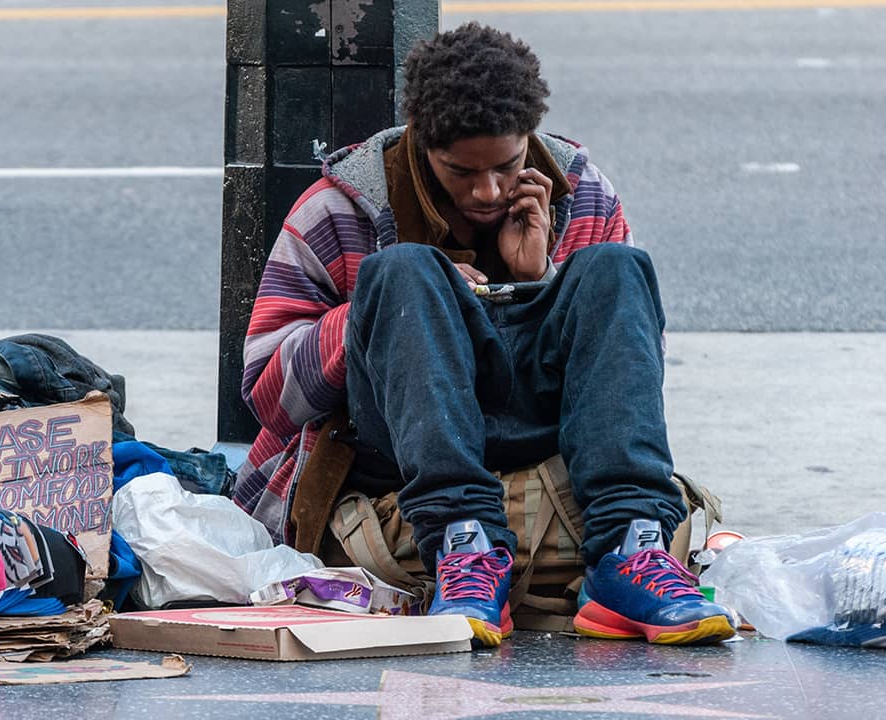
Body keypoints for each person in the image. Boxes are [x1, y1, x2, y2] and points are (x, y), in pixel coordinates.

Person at [232, 22, 733, 648]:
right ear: (422, 145)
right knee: (402, 272)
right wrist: (378, 311)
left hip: (554, 433)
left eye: (507, 166)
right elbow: (267, 398)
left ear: (529, 140)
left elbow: (631, 375)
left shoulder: (584, 194)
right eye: (460, 173)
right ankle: (464, 548)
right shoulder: (338, 210)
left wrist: (541, 281)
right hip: (400, 448)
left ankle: (629, 550)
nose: (489, 192)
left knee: (617, 268)